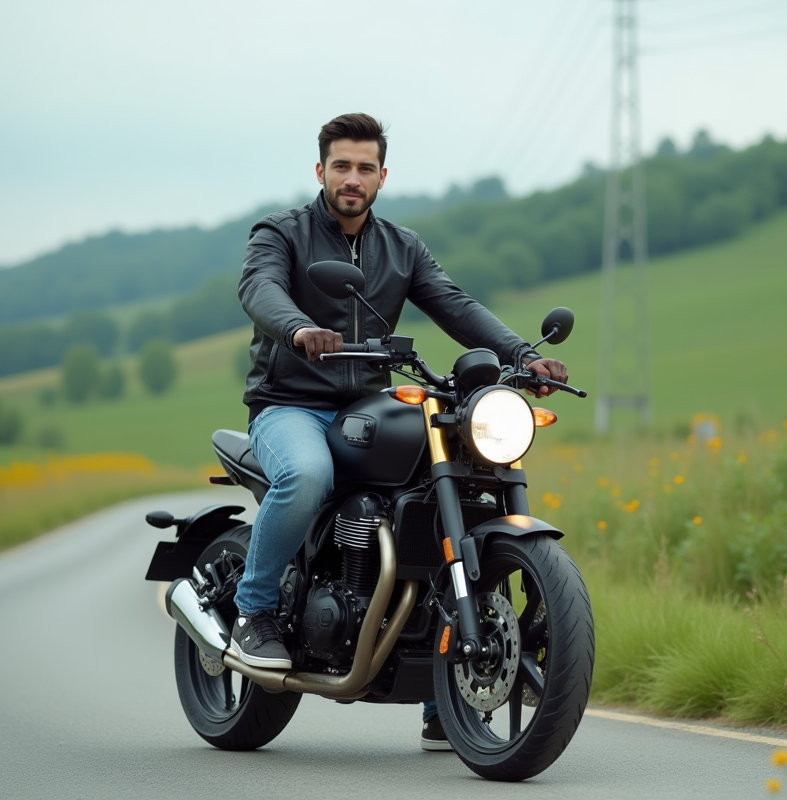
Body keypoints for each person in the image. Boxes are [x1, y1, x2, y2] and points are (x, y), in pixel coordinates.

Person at [233, 112, 568, 751]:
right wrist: (300, 329)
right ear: (320, 171)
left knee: (456, 485)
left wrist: (522, 355)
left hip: (367, 405)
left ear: (383, 175)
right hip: (289, 406)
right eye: (341, 166)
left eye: (365, 168)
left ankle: (448, 686)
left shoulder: (401, 247)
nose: (352, 179)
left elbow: (455, 304)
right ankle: (256, 609)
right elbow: (260, 289)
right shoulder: (281, 234)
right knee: (308, 474)